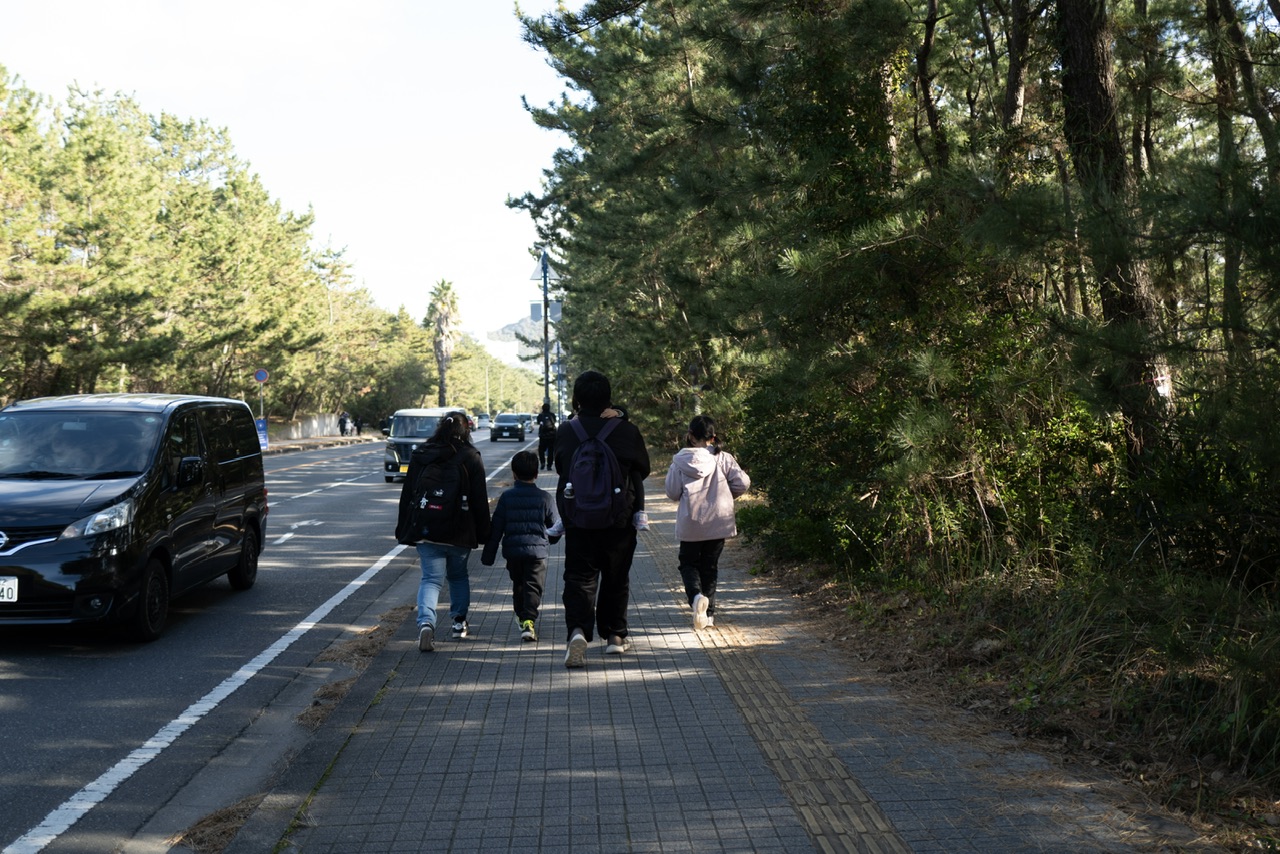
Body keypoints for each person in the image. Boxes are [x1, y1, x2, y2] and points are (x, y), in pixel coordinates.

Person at [554, 370, 651, 667]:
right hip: (619, 517)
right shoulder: (625, 430)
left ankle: (578, 631)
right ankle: (615, 637)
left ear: (577, 398)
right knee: (616, 576)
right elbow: (642, 469)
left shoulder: (567, 430)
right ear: (608, 398)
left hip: (578, 516)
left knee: (579, 578)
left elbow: (561, 468)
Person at [394, 411, 491, 651]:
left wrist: (404, 526)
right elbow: (479, 499)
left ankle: (426, 623)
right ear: (466, 430)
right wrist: (484, 534)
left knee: (430, 579)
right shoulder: (471, 456)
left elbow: (408, 495)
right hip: (459, 528)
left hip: (427, 527)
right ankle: (459, 623)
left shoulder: (422, 454)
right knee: (458, 576)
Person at [664, 415, 750, 630]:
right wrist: (726, 495)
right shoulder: (723, 458)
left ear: (690, 436)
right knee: (710, 567)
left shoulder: (679, 461)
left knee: (688, 563)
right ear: (713, 437)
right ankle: (709, 616)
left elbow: (672, 492)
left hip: (691, 523)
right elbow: (743, 483)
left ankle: (695, 599)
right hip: (718, 521)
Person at [480, 450, 561, 642]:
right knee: (533, 586)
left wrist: (488, 555)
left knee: (518, 584)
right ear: (536, 474)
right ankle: (528, 620)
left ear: (514, 474)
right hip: (537, 552)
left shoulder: (506, 498)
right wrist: (549, 540)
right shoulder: (545, 498)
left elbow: (496, 528)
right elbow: (555, 527)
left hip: (513, 551)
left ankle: (522, 616)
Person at [535, 403, 557, 470]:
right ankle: (549, 465)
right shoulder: (552, 415)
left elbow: (538, 422)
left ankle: (542, 463)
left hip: (543, 436)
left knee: (541, 450)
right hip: (551, 436)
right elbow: (554, 422)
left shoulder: (540, 415)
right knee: (551, 451)